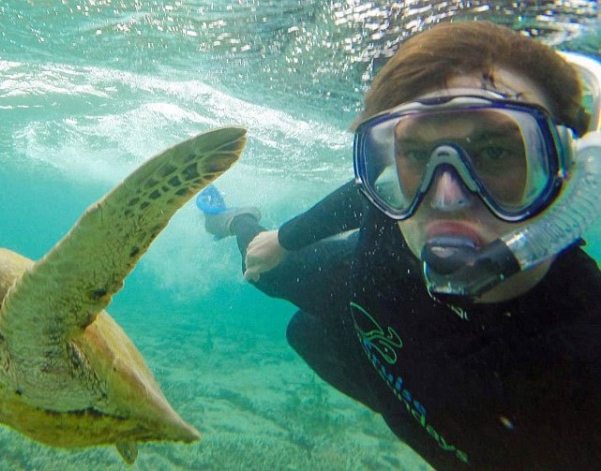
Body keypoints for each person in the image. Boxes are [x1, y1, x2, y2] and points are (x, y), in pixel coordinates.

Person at [199, 21, 601, 469]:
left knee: (302, 332)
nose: (446, 198)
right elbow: (366, 189)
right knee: (264, 272)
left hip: (378, 360)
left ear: (570, 173)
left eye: (495, 152)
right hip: (362, 292)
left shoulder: (582, 364)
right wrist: (283, 239)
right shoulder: (393, 222)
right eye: (414, 153)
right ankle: (237, 219)